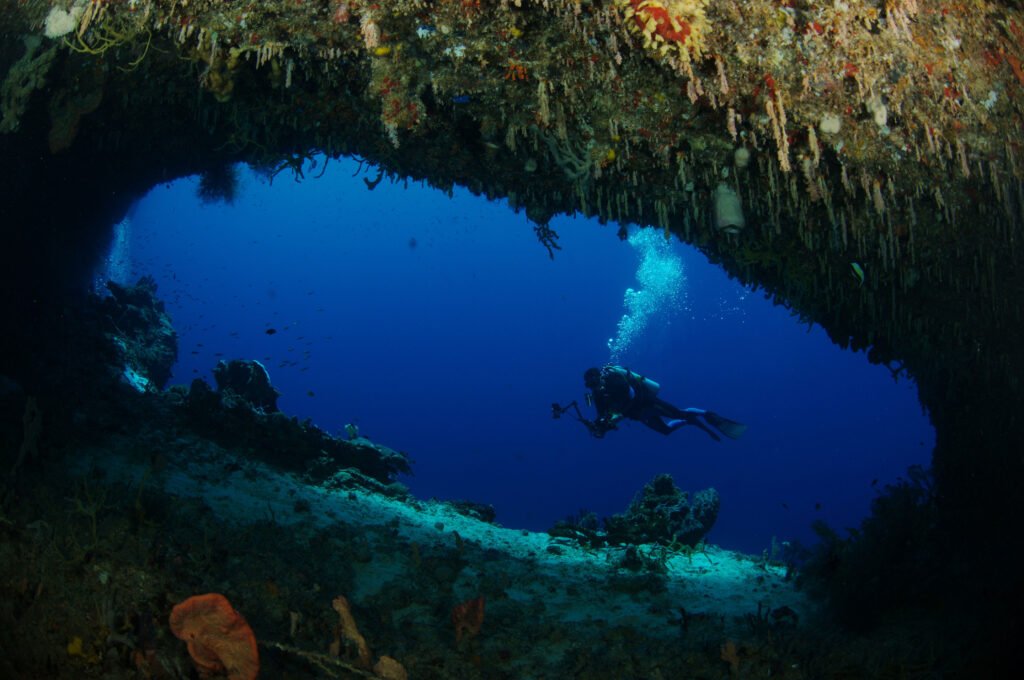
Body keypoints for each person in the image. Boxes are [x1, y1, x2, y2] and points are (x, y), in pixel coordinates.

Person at [583, 365, 747, 440]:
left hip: (646, 403)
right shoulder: (597, 397)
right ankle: (690, 422)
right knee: (667, 431)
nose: (594, 387)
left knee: (680, 413)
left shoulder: (613, 378)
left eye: (594, 382)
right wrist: (599, 425)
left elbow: (631, 395)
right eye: (590, 385)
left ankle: (708, 415)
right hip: (640, 415)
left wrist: (614, 415)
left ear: (599, 377)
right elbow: (604, 415)